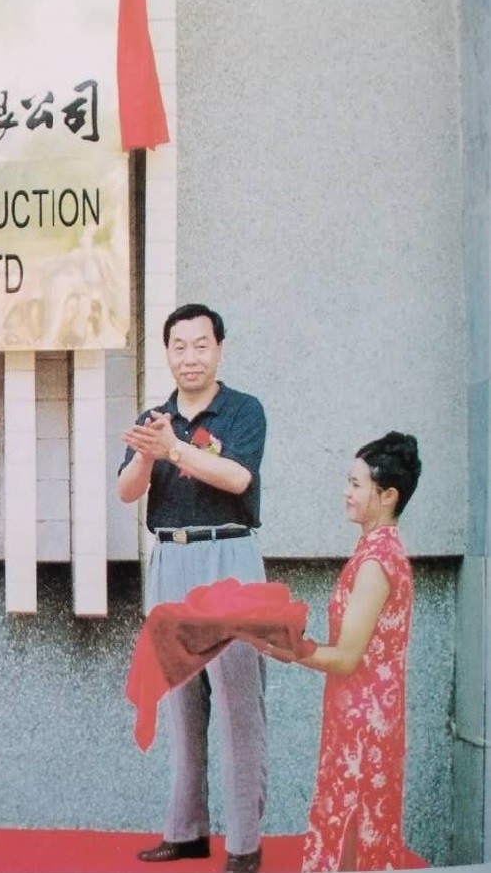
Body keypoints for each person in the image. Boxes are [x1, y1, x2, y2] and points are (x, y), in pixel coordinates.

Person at [118, 303, 268, 873]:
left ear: (219, 349)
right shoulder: (155, 417)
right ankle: (186, 831)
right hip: (171, 559)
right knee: (180, 699)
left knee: (237, 706)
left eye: (201, 345)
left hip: (227, 557)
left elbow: (238, 477)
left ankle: (245, 846)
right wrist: (145, 455)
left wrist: (175, 450)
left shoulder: (244, 410)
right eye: (179, 346)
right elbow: (127, 492)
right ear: (167, 353)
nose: (190, 357)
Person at [260, 432, 421, 872]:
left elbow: (348, 658)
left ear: (388, 495)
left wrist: (291, 649)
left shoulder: (375, 561)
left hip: (363, 723)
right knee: (359, 825)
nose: (345, 493)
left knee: (352, 827)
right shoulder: (377, 550)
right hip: (362, 714)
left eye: (355, 484)